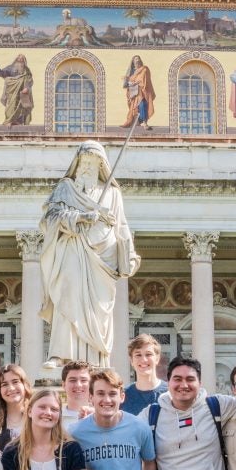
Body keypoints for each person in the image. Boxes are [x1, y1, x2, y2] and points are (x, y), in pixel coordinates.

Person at [39, 141, 141, 367]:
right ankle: (60, 354)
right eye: (83, 163)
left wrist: (129, 255)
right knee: (66, 292)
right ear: (76, 164)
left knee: (99, 308)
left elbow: (121, 226)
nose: (86, 168)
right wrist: (80, 218)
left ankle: (97, 358)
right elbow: (49, 220)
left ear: (101, 167)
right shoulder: (66, 188)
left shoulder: (113, 194)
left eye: (92, 164)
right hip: (72, 249)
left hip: (103, 255)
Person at [138, 356, 236, 470]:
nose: (183, 385)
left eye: (190, 379)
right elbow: (123, 426)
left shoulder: (217, 405)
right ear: (168, 382)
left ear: (200, 383)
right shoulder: (152, 414)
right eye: (177, 379)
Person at [0, 364, 32, 457]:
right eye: (5, 384)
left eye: (15, 382)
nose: (11, 388)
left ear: (25, 385)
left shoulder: (35, 417)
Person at [122, 333, 167, 416]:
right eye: (138, 355)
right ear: (131, 361)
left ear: (157, 359)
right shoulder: (122, 397)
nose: (143, 360)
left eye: (148, 354)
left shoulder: (170, 393)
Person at [0, 54, 33, 126]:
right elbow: (1, 73)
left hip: (23, 92)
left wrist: (27, 87)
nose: (20, 61)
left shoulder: (26, 70)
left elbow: (29, 80)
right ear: (16, 60)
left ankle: (18, 122)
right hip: (12, 91)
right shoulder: (10, 68)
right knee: (11, 105)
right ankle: (9, 120)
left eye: (22, 60)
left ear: (24, 61)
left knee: (22, 107)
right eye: (19, 59)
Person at [121, 55, 156, 130]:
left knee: (142, 104)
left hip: (143, 91)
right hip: (134, 92)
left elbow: (143, 79)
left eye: (138, 59)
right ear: (133, 62)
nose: (137, 60)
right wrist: (128, 80)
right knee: (135, 107)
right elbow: (128, 83)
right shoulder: (132, 72)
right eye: (135, 59)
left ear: (140, 61)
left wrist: (136, 82)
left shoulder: (144, 69)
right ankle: (137, 121)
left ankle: (144, 122)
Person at [60, 360, 92, 428]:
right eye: (73, 380)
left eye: (83, 380)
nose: (78, 385)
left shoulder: (101, 417)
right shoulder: (55, 417)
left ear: (91, 384)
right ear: (63, 385)